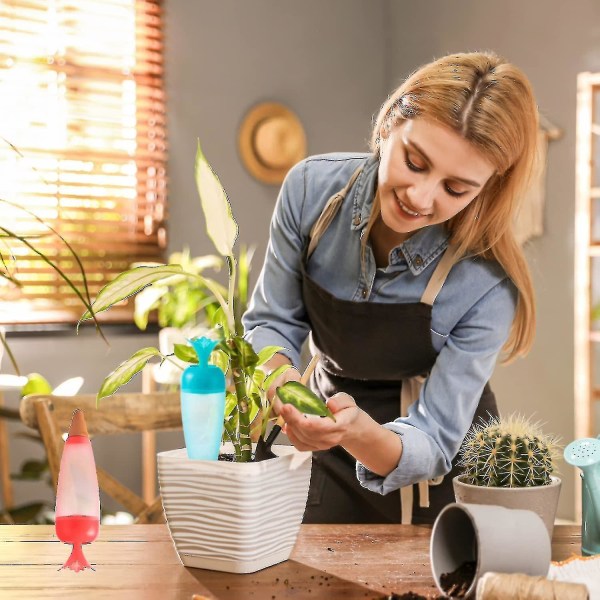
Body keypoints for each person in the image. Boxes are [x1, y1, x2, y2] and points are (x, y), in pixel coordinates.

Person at [242, 51, 539, 524]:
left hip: (438, 480)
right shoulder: (310, 192)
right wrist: (283, 389)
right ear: (388, 124)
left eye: (456, 189)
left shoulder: (485, 282)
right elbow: (272, 321)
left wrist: (356, 431)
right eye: (415, 162)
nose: (421, 198)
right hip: (328, 445)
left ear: (487, 187)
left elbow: (438, 437)